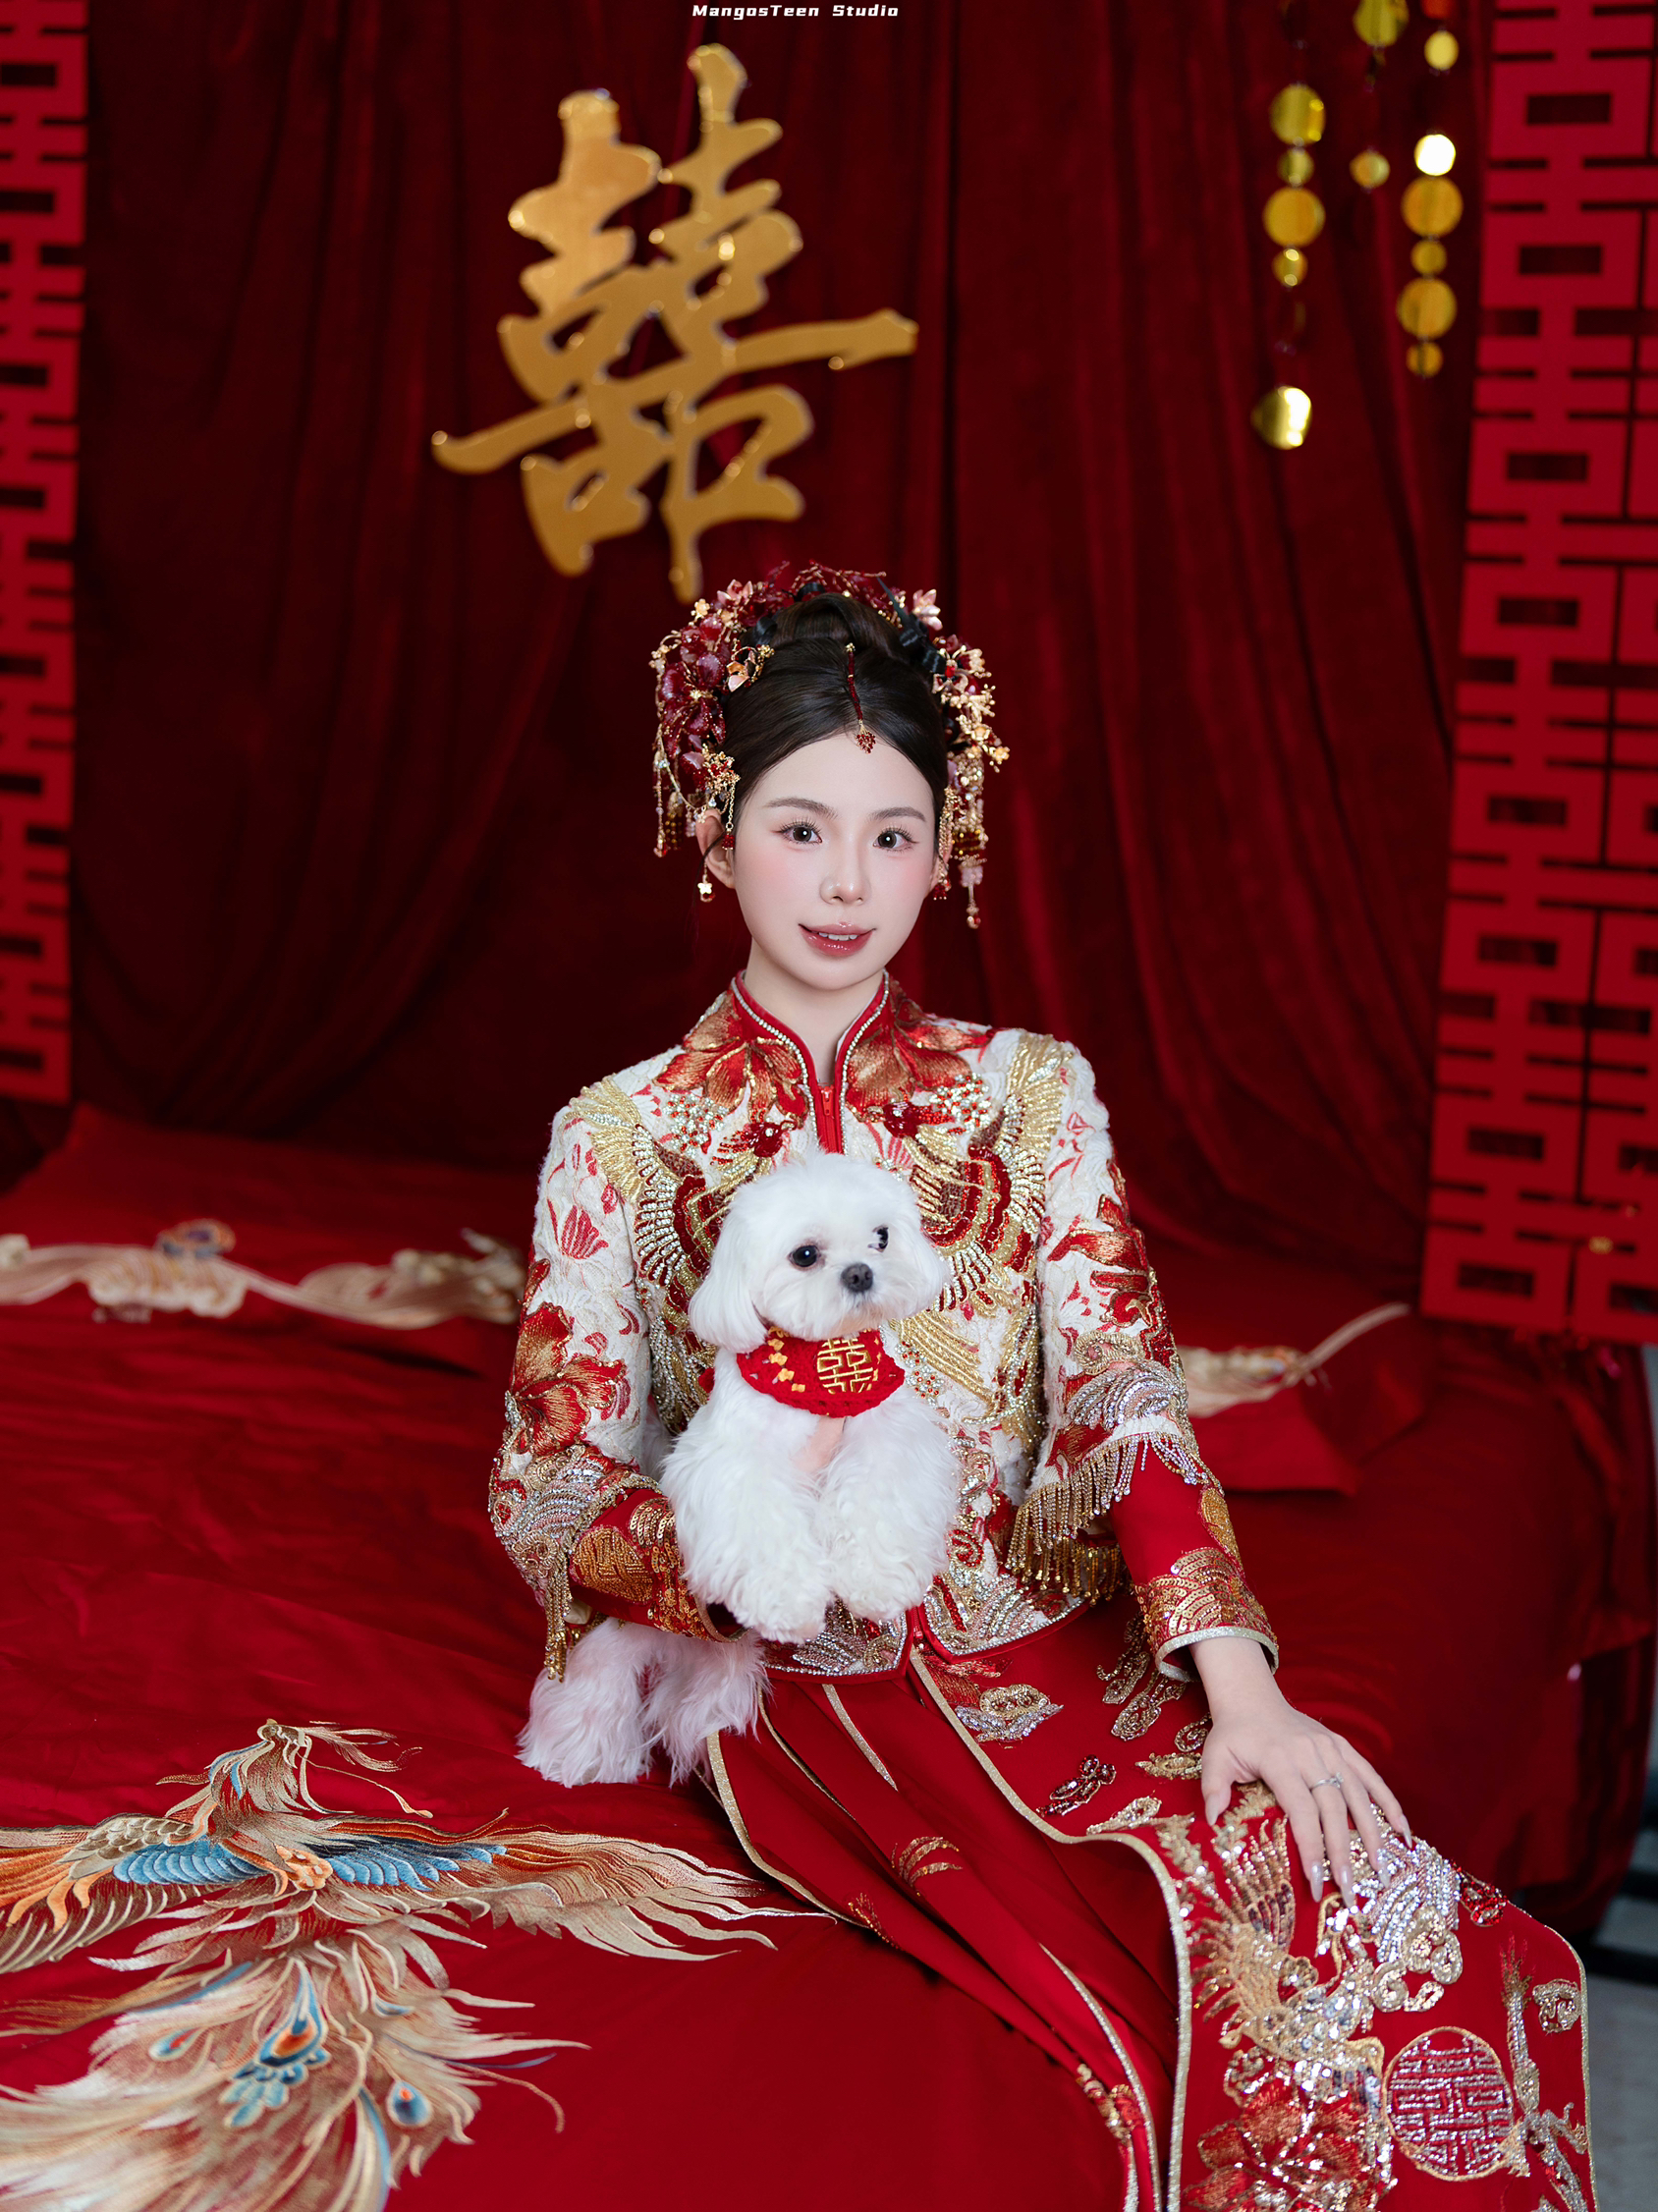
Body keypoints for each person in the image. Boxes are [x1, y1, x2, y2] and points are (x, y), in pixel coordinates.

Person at [489, 564, 1597, 2210]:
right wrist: (727, 1570)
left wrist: (1242, 1690)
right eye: (800, 829)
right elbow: (548, 1480)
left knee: (1366, 1913)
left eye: (894, 834)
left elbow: (1124, 1391)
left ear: (948, 845)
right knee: (1121, 1990)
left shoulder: (1034, 1098)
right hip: (786, 1682)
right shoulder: (620, 1135)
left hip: (1042, 1638)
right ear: (715, 835)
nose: (848, 883)